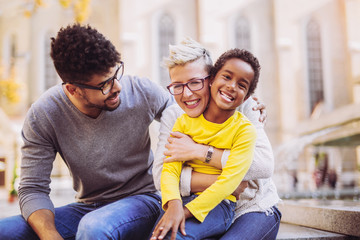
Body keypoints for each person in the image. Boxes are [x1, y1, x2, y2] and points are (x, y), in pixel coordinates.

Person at [0, 23, 174, 240]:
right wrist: (50, 235)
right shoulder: (44, 114)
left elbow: (185, 117)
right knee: (5, 231)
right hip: (88, 207)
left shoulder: (142, 91)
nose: (117, 86)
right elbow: (32, 189)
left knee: (94, 227)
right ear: (72, 89)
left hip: (143, 200)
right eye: (105, 85)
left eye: (116, 73)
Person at [152, 38, 281, 240]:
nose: (187, 94)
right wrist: (226, 182)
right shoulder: (175, 117)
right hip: (200, 203)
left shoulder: (243, 107)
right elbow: (162, 174)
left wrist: (199, 152)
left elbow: (264, 165)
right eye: (178, 85)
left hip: (251, 207)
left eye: (195, 82)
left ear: (210, 78)